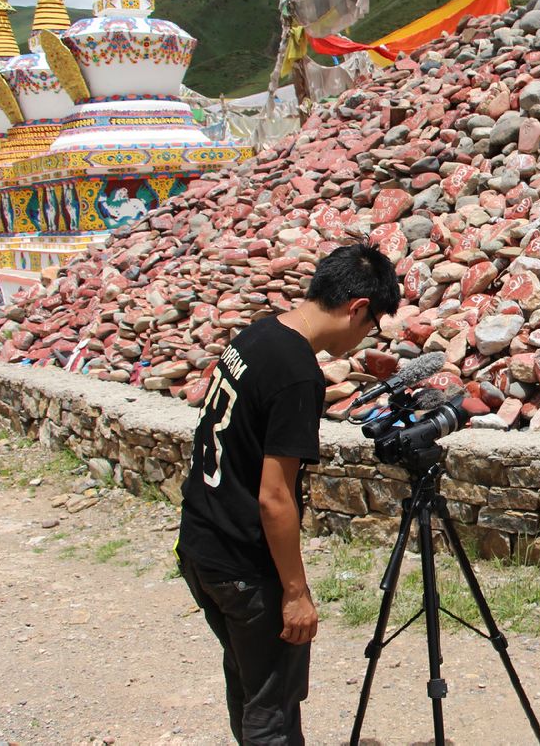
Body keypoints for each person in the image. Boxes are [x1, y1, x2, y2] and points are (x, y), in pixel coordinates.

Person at [177, 243, 400, 744]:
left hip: (201, 544)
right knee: (271, 711)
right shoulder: (299, 373)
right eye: (373, 326)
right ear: (357, 307)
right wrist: (295, 593)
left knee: (249, 683)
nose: (368, 337)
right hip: (243, 564)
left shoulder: (258, 334)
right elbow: (274, 496)